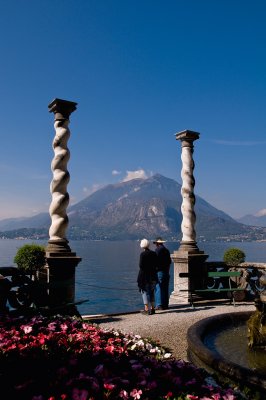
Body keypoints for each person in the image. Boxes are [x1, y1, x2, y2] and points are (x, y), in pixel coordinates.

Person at [137, 238, 158, 315]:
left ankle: (146, 309)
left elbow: (141, 265)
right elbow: (156, 264)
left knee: (144, 291)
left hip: (144, 276)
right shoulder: (153, 253)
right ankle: (153, 308)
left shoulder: (142, 254)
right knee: (152, 292)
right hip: (153, 275)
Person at [153, 237, 172, 310]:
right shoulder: (167, 250)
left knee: (158, 287)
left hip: (159, 271)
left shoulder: (157, 250)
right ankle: (165, 304)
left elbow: (155, 262)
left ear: (157, 243)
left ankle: (159, 305)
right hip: (166, 271)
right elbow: (169, 262)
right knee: (165, 288)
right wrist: (167, 271)